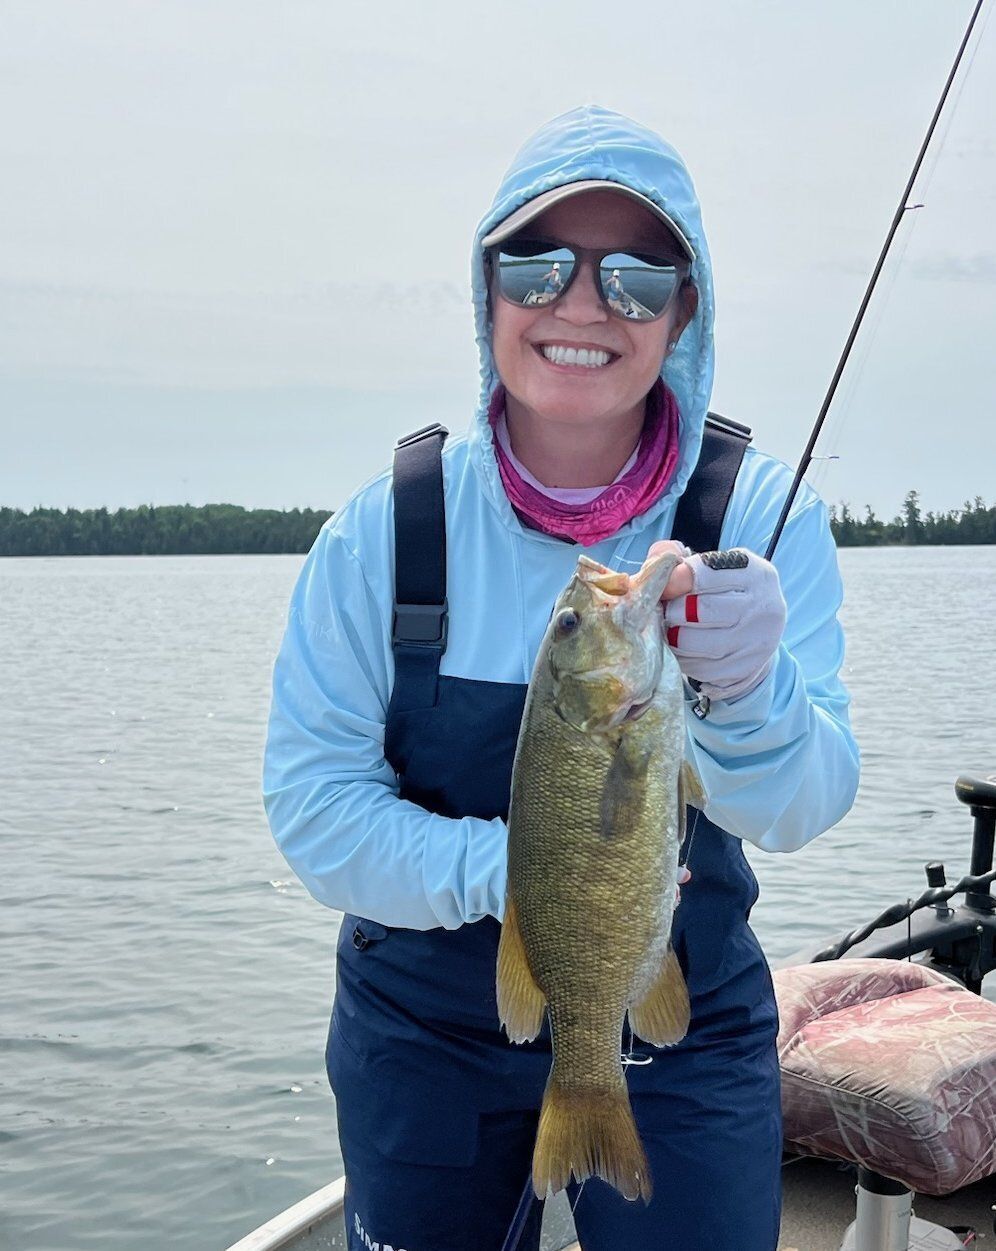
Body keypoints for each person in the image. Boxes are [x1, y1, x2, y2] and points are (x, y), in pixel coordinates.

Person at [263, 105, 859, 1251]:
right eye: (536, 265)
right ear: (484, 291)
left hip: (680, 1024)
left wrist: (749, 693)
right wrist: (525, 874)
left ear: (687, 311)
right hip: (422, 1037)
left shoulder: (763, 516)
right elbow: (314, 812)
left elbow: (803, 807)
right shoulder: (386, 531)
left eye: (638, 276)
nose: (582, 304)